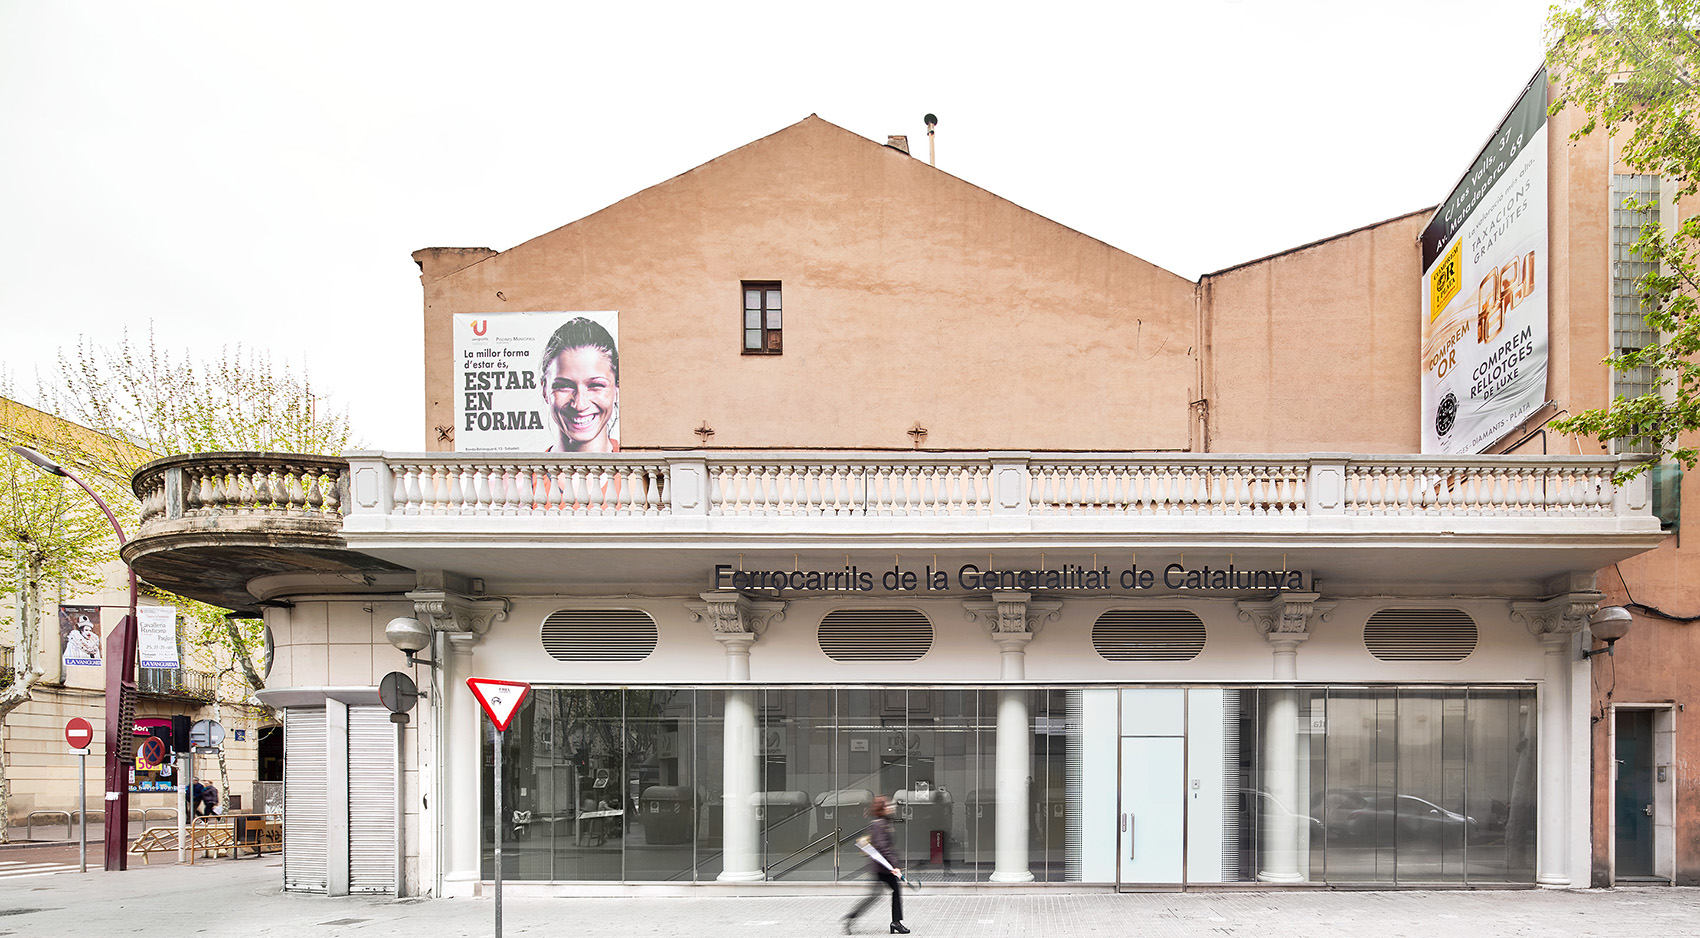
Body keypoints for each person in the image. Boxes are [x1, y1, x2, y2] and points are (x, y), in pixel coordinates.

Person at [538, 317, 619, 453]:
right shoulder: (516, 474)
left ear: (617, 389)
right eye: (564, 386)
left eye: (596, 385)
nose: (579, 405)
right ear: (545, 390)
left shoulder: (640, 473)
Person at [842, 795, 909, 934]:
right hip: (882, 867)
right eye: (888, 805)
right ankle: (851, 917)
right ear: (882, 808)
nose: (891, 807)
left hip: (884, 866)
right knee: (876, 895)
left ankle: (895, 922)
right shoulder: (879, 824)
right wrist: (894, 866)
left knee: (891, 891)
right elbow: (883, 847)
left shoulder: (884, 822)